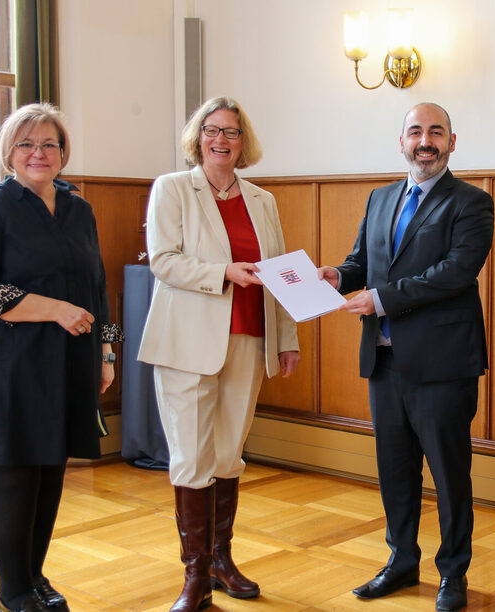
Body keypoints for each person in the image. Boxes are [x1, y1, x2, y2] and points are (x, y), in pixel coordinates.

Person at [317, 102, 493, 612]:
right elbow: (362, 262)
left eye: (435, 132)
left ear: (452, 142)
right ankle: (401, 561)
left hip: (443, 366)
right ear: (401, 142)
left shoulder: (472, 202)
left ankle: (453, 573)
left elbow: (457, 271)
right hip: (384, 360)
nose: (425, 140)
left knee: (449, 475)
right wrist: (340, 276)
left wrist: (383, 298)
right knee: (395, 471)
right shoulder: (380, 198)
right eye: (415, 131)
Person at [137, 96, 300, 612]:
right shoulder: (172, 189)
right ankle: (194, 579)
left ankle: (221, 561)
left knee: (228, 454)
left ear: (242, 141)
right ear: (198, 137)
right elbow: (163, 261)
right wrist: (222, 273)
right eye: (213, 131)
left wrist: (287, 337)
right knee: (191, 457)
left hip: (250, 337)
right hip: (186, 341)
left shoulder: (263, 200)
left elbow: (280, 273)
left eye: (231, 132)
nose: (221, 140)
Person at [0, 103, 122, 612]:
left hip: (71, 354)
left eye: (49, 143)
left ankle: (35, 575)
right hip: (8, 357)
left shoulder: (79, 208)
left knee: (52, 467)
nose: (39, 153)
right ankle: (13, 591)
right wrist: (53, 309)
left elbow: (97, 285)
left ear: (63, 151)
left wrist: (107, 348)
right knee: (16, 470)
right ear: (9, 152)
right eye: (27, 144)